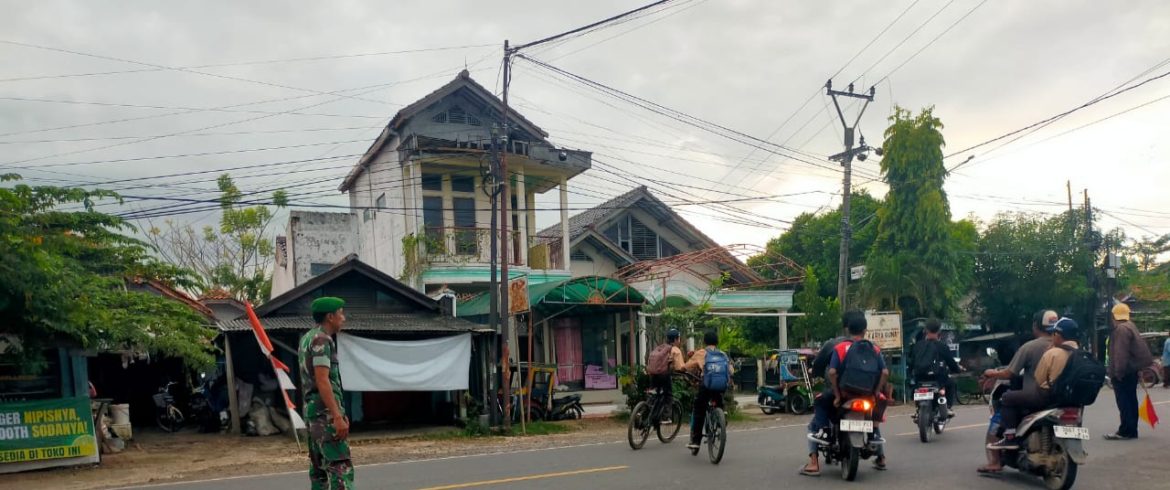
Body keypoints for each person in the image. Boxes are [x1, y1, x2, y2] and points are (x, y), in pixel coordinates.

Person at [801, 310, 889, 476]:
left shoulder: (836, 345)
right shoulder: (874, 348)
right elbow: (884, 372)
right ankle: (881, 457)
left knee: (818, 408)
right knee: (871, 421)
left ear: (846, 328)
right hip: (867, 396)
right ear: (865, 329)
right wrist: (875, 392)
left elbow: (828, 371)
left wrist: (837, 394)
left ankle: (814, 461)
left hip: (842, 395)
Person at [977, 309, 1056, 473]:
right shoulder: (1064, 345)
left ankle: (1008, 441)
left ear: (1036, 326)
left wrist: (992, 373)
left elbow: (1009, 373)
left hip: (1036, 397)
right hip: (1060, 398)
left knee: (1007, 398)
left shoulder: (1030, 347)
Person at [990, 317, 1080, 450]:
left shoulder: (1052, 353)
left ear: (1058, 335)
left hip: (1047, 398)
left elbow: (1039, 378)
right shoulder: (1081, 354)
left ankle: (1010, 438)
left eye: (1054, 333)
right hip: (1072, 400)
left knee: (1007, 397)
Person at [298, 297, 354, 489]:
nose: (343, 318)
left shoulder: (307, 338)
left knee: (319, 471)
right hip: (325, 417)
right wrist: (337, 416)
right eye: (341, 313)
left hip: (313, 415)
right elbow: (323, 380)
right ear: (330, 317)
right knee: (340, 468)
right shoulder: (321, 339)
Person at [1105, 302, 1152, 440]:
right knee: (1131, 400)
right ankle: (1132, 430)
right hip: (1131, 370)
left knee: (1124, 402)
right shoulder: (1131, 326)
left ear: (1114, 316)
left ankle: (1125, 431)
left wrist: (1118, 373)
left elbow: (1120, 353)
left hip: (1124, 372)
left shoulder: (1121, 329)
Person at [683, 330, 731, 450]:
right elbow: (731, 370)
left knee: (699, 409)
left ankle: (696, 441)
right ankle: (721, 416)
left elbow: (686, 367)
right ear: (717, 341)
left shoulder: (701, 353)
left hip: (706, 385)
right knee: (718, 400)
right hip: (721, 386)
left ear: (705, 341)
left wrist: (685, 367)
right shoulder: (723, 354)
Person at [910, 318, 963, 417]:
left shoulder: (917, 346)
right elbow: (951, 363)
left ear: (925, 330)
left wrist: (912, 375)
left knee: (916, 387)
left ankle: (918, 409)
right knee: (951, 383)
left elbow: (911, 363)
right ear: (939, 331)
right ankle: (948, 407)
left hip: (920, 378)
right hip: (938, 379)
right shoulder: (942, 346)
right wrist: (957, 370)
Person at [648, 328, 685, 419]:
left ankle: (645, 411)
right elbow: (680, 367)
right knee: (668, 395)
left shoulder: (660, 347)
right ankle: (666, 416)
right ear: (675, 339)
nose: (679, 341)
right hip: (664, 376)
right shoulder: (675, 350)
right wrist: (684, 372)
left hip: (653, 374)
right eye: (679, 339)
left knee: (654, 395)